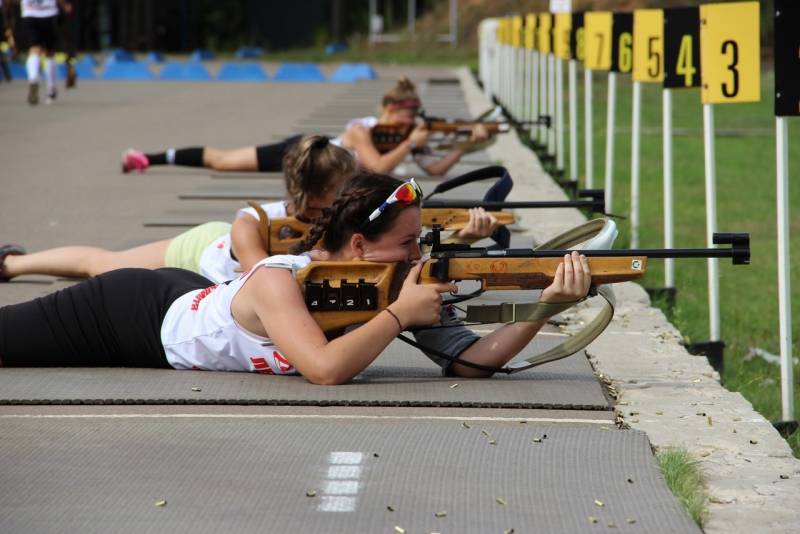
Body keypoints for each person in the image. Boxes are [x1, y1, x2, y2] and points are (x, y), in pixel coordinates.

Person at [0, 173, 591, 384]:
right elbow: (325, 369)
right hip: (130, 314)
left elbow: (469, 364)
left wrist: (541, 305)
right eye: (408, 244)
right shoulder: (279, 280)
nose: (418, 255)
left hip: (185, 298)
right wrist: (399, 316)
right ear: (359, 245)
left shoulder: (390, 288)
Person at [0, 135, 357, 284]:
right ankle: (12, 264)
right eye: (344, 187)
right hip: (200, 251)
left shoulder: (338, 214)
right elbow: (261, 277)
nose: (353, 192)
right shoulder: (255, 221)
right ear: (316, 196)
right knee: (102, 266)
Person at [120, 77, 490, 177]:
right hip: (303, 152)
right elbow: (378, 167)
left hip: (321, 174)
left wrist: (465, 145)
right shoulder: (363, 128)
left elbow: (437, 169)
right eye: (407, 116)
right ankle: (147, 158)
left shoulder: (407, 139)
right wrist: (411, 144)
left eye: (415, 118)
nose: (412, 123)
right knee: (223, 161)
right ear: (391, 111)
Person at [19, 0, 71, 105]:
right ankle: (51, 89)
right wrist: (64, 5)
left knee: (34, 50)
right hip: (49, 14)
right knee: (50, 53)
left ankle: (33, 78)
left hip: (30, 14)